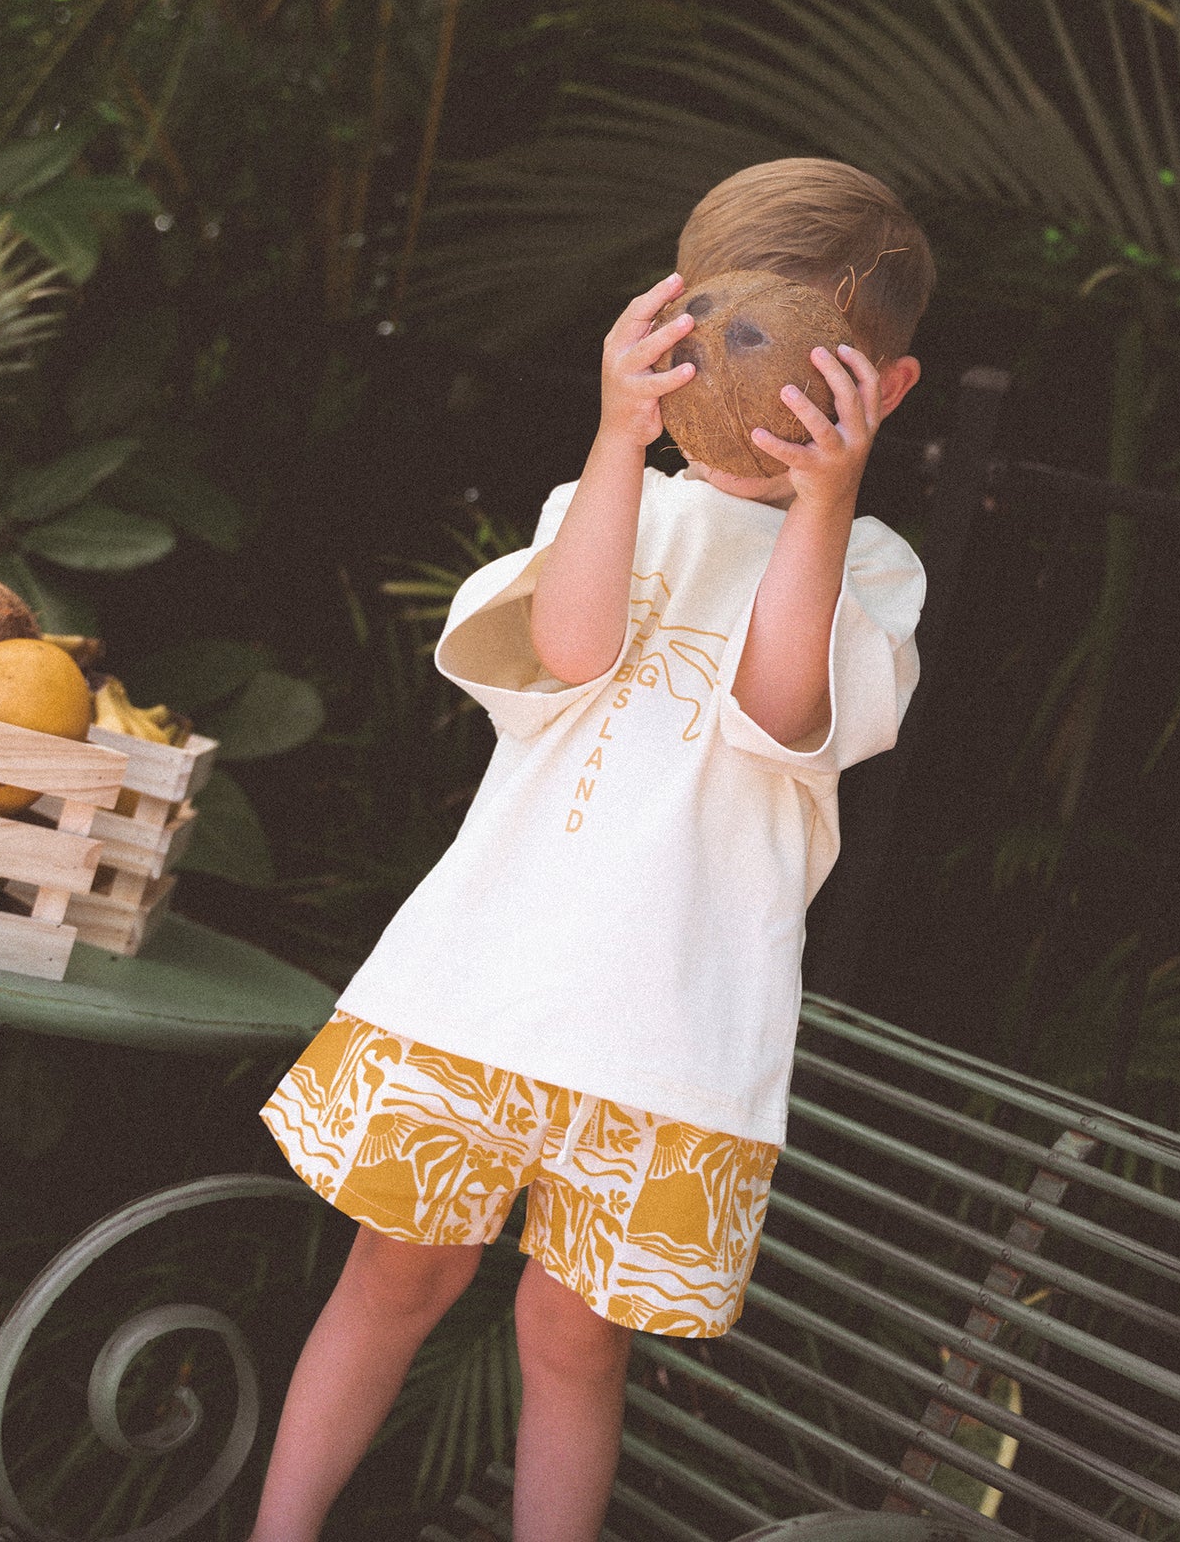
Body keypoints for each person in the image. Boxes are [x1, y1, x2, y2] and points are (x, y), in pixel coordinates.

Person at [253, 156, 935, 1542]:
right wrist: (618, 437)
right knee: (391, 1282)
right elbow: (568, 649)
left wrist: (818, 502)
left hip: (668, 1047)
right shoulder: (595, 509)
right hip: (479, 999)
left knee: (573, 1343)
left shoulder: (868, 568)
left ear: (888, 391)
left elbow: (777, 705)